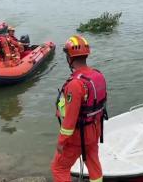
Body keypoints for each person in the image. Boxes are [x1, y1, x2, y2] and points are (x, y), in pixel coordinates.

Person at [51, 35, 107, 182]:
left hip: (78, 136)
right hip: (95, 131)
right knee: (94, 166)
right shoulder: (98, 75)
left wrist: (61, 142)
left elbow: (70, 120)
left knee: (59, 168)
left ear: (70, 58)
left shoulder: (75, 84)